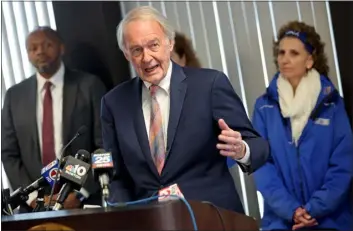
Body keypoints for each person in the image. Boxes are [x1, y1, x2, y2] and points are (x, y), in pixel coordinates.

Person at [101, 6, 269, 214]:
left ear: (169, 43)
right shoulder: (114, 103)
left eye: (153, 45)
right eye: (136, 50)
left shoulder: (209, 85)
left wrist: (242, 149)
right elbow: (115, 176)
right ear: (127, 54)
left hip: (211, 218)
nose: (146, 57)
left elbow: (259, 147)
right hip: (150, 221)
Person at [252, 21, 353, 230]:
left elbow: (343, 165)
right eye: (281, 53)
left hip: (331, 221)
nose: (284, 59)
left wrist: (314, 209)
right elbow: (262, 166)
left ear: (309, 60)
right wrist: (292, 211)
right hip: (281, 223)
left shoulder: (332, 105)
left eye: (294, 53)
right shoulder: (264, 107)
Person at [1, 26, 107, 212]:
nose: (40, 51)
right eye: (33, 48)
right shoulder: (14, 96)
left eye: (47, 45)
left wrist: (80, 192)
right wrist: (32, 196)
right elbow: (9, 153)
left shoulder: (89, 85)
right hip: (34, 206)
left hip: (81, 202)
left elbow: (103, 145)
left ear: (61, 47)